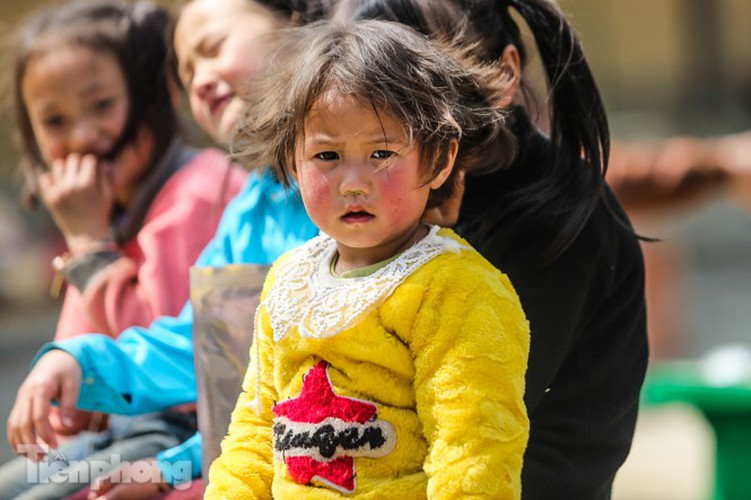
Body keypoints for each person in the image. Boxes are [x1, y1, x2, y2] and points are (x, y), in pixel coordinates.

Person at [5, 0, 331, 497]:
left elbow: (218, 399)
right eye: (187, 69)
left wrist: (90, 249)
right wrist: (76, 362)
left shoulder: (220, 191)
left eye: (213, 48)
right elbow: (201, 348)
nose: (82, 136)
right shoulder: (250, 207)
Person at [336, 0, 648, 498]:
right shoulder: (402, 191)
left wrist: (418, 250)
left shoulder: (558, 222)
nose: (393, 109)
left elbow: (422, 419)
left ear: (504, 74)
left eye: (418, 82)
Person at [205, 18, 529, 498]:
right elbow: (254, 434)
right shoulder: (288, 280)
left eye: (381, 153)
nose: (353, 182)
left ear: (439, 160)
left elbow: (474, 455)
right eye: (327, 157)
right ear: (292, 161)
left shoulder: (456, 289)